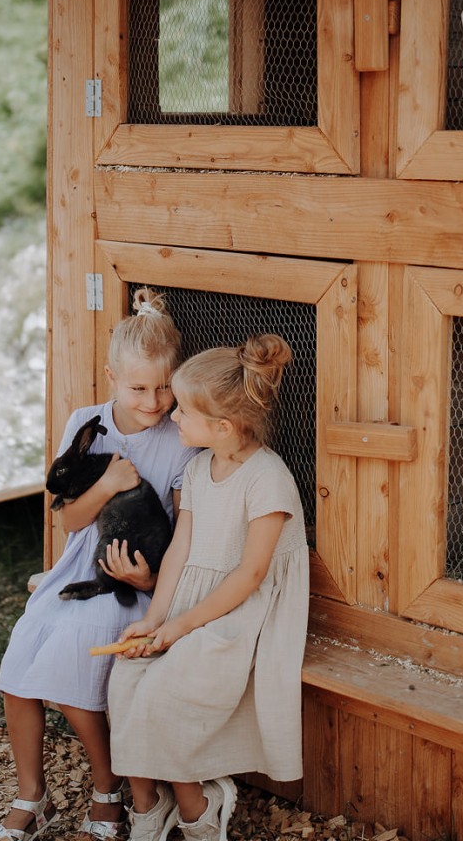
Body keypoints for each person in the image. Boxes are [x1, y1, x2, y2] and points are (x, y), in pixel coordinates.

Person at [0, 289, 199, 841]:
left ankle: (108, 790)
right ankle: (32, 795)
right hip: (80, 565)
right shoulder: (86, 422)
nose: (153, 402)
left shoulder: (181, 439)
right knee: (21, 663)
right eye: (138, 388)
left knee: (71, 669)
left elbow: (178, 537)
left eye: (163, 388)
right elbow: (70, 523)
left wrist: (149, 581)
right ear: (110, 375)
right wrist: (107, 482)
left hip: (134, 578)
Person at [107, 334, 309, 841]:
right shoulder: (198, 468)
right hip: (188, 605)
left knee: (164, 692)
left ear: (221, 426)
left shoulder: (269, 479)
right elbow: (180, 550)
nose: (171, 415)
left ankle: (199, 808)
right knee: (126, 678)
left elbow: (250, 575)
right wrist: (155, 619)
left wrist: (178, 627)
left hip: (238, 613)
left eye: (183, 412)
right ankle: (148, 804)